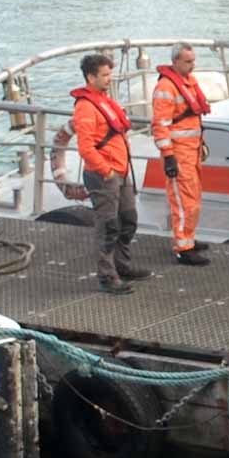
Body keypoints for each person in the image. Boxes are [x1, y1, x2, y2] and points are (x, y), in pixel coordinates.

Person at [70, 53, 149, 294]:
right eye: (104, 75)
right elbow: (85, 147)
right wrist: (106, 172)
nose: (108, 79)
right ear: (90, 77)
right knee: (108, 226)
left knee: (128, 220)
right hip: (105, 175)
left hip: (121, 171)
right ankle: (107, 276)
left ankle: (121, 264)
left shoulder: (103, 100)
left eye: (109, 74)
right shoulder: (86, 107)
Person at [150, 45, 211, 265]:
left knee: (193, 199)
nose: (192, 65)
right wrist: (168, 156)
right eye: (187, 61)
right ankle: (183, 248)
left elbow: (192, 119)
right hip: (178, 152)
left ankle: (189, 238)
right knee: (184, 202)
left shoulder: (188, 82)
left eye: (193, 61)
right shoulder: (166, 87)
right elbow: (160, 125)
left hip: (191, 150)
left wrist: (200, 143)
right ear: (175, 61)